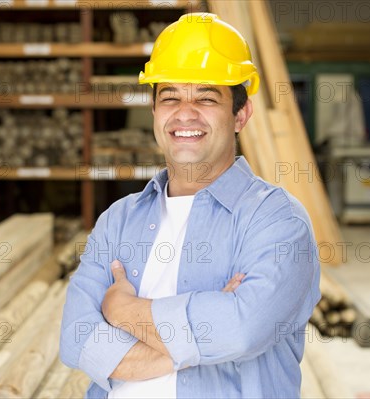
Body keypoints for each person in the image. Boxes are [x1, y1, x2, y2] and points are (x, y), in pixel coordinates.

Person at [60, 13, 320, 399]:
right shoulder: (118, 220)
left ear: (240, 115)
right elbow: (76, 339)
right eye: (170, 97)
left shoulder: (277, 221)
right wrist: (201, 340)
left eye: (206, 97)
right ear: (154, 113)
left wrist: (121, 312)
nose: (185, 112)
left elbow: (242, 330)